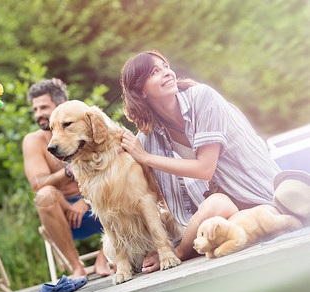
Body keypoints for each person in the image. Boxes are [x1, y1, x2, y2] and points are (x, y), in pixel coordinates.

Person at [120, 50, 284, 273]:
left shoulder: (203, 97)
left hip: (258, 193)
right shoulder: (148, 137)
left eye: (165, 66)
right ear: (140, 91)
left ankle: (180, 253)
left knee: (232, 221)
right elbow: (122, 169)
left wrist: (146, 158)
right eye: (154, 72)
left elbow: (205, 168)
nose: (167, 73)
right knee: (214, 209)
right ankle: (201, 241)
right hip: (224, 204)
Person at [22, 78, 114, 279]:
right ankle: (76, 268)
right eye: (35, 109)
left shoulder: (84, 127)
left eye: (44, 107)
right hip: (67, 215)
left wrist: (86, 200)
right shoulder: (33, 141)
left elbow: (111, 170)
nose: (39, 114)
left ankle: (106, 257)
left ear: (61, 105)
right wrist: (68, 172)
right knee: (44, 195)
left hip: (103, 203)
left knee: (120, 183)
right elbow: (38, 184)